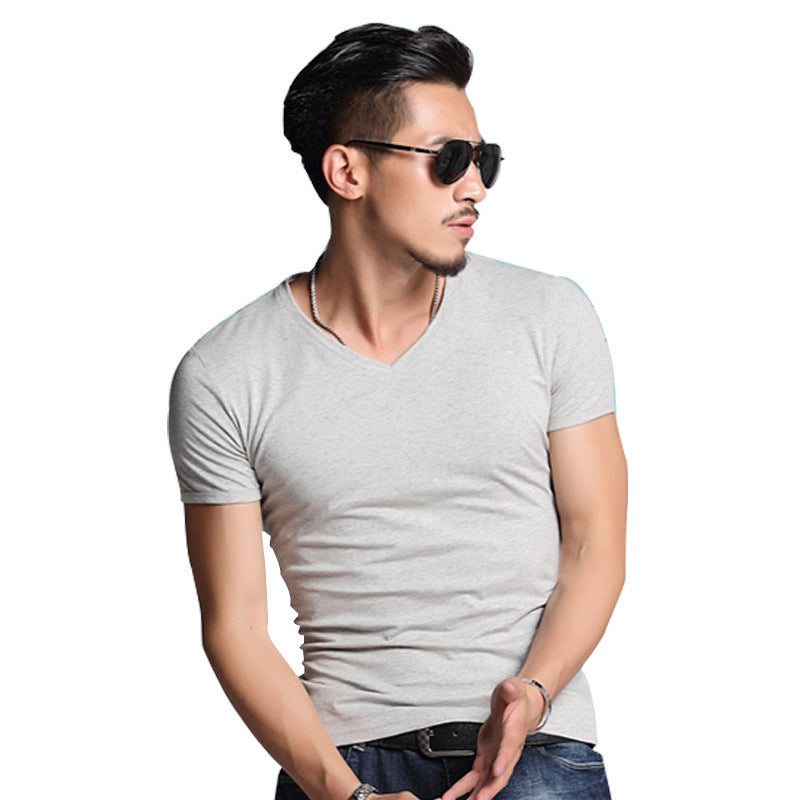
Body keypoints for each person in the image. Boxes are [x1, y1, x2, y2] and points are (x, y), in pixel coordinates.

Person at [168, 22, 627, 800]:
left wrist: (535, 692)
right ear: (347, 170)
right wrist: (342, 791)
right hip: (340, 763)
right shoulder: (225, 373)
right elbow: (235, 625)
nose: (474, 187)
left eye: (484, 160)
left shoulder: (549, 316)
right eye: (448, 160)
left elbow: (594, 544)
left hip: (534, 747)